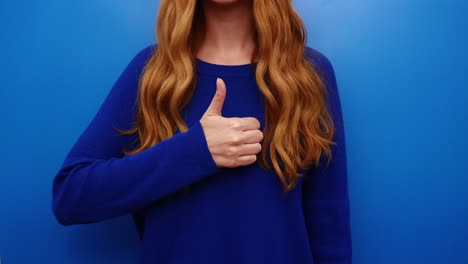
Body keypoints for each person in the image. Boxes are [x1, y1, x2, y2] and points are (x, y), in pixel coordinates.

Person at [51, 0, 352, 263]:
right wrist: (196, 151)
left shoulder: (309, 74)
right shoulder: (153, 74)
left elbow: (329, 225)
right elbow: (70, 196)